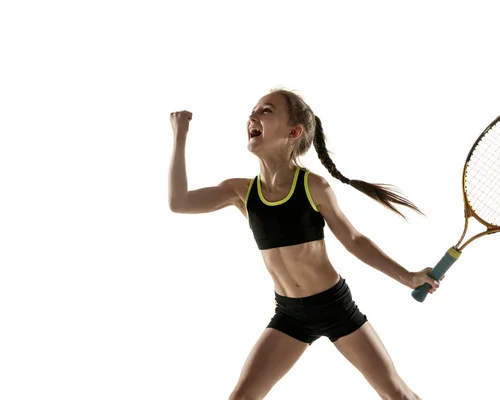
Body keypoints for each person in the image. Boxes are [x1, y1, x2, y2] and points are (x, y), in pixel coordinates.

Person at [168, 89, 441, 400]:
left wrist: (408, 276)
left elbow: (354, 239)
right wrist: (180, 136)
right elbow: (180, 202)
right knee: (241, 397)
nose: (253, 116)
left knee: (396, 394)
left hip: (333, 306)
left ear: (293, 132)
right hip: (289, 314)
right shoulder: (241, 191)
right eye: (253, 111)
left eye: (266, 111)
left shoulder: (312, 186)